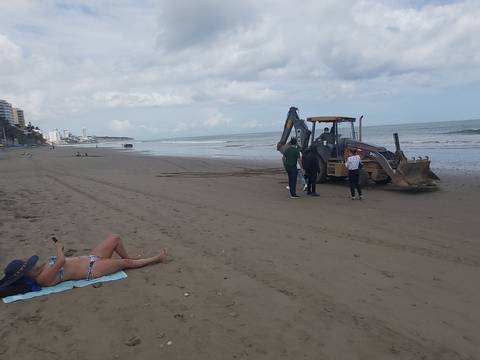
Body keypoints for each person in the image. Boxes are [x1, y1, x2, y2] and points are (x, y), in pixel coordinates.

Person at [0, 235, 167, 291]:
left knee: (115, 238)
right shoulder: (42, 279)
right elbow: (61, 261)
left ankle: (133, 260)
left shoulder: (41, 269)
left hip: (91, 258)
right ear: (26, 273)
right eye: (30, 266)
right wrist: (59, 247)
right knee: (124, 262)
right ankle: (156, 259)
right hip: (91, 270)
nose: (33, 265)